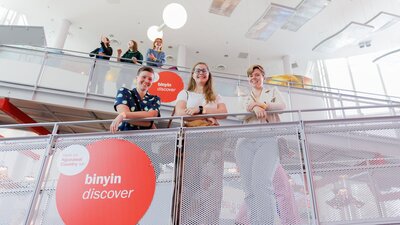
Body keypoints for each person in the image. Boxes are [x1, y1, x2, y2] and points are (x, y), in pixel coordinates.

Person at [234, 64, 300, 225]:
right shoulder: (244, 95)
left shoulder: (272, 92)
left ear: (263, 77)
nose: (253, 78)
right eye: (250, 75)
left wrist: (263, 105)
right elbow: (237, 114)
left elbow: (282, 106)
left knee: (261, 183)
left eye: (257, 75)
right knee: (249, 188)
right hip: (245, 141)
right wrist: (253, 106)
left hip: (267, 139)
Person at [174, 62, 227, 224]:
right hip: (191, 142)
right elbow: (180, 113)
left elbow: (224, 113)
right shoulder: (185, 93)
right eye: (197, 70)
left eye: (204, 70)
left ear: (209, 74)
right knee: (188, 181)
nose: (201, 73)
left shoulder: (216, 96)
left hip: (213, 143)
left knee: (211, 184)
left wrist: (201, 110)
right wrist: (208, 117)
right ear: (192, 74)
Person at [110, 66, 161, 176]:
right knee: (120, 175)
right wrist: (145, 120)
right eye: (144, 77)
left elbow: (151, 118)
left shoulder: (155, 99)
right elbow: (148, 122)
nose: (146, 81)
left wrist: (123, 115)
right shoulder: (124, 92)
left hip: (145, 147)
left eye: (150, 79)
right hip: (123, 144)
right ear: (137, 78)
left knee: (143, 176)